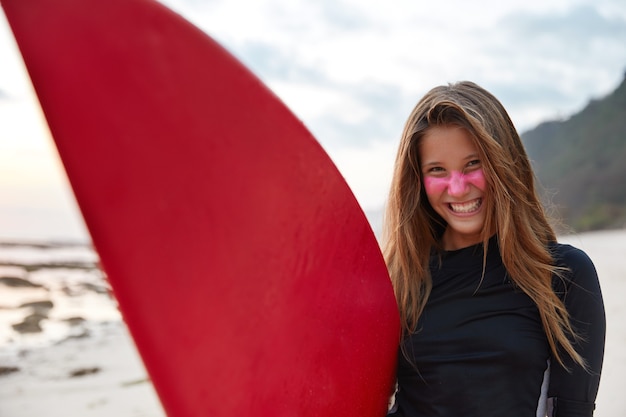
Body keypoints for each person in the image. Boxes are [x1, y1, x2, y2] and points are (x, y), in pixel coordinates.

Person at [382, 81, 605, 417]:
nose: (458, 189)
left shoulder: (563, 277)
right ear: (417, 180)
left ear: (505, 163)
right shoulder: (398, 281)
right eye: (437, 170)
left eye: (473, 164)